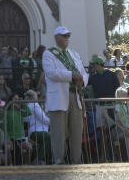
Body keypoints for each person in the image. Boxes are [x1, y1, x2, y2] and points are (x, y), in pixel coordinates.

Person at [42, 25, 85, 164]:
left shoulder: (75, 54)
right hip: (59, 96)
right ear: (56, 37)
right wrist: (72, 75)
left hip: (75, 95)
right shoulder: (49, 53)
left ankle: (76, 161)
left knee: (77, 131)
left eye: (68, 35)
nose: (67, 38)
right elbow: (51, 73)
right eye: (63, 35)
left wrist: (82, 80)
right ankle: (59, 161)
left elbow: (84, 72)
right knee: (59, 132)